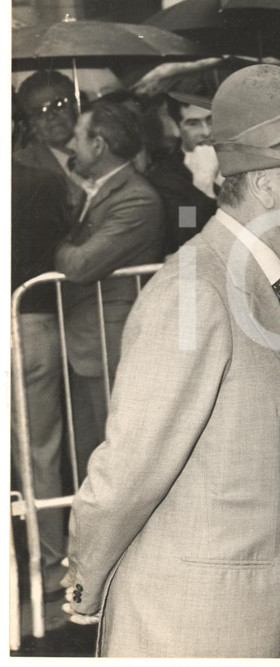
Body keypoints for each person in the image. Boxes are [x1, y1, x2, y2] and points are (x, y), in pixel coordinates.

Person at [65, 65, 280, 657]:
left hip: (254, 616)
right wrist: (84, 581)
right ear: (266, 183)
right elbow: (127, 473)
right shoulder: (195, 293)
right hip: (196, 629)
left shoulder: (256, 280)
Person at [55, 100, 165, 475]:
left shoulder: (137, 198)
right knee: (89, 459)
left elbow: (82, 265)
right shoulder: (102, 190)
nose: (71, 144)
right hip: (89, 344)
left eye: (78, 137)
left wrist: (50, 246)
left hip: (109, 345)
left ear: (99, 145)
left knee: (115, 462)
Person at [11, 161, 71, 601]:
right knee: (42, 454)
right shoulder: (45, 179)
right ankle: (49, 568)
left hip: (19, 318)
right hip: (37, 321)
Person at [146, 89, 219, 255]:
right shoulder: (167, 178)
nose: (206, 132)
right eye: (193, 124)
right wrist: (203, 185)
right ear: (176, 128)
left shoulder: (242, 159)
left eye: (211, 120)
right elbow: (186, 235)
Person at [14, 70, 89, 214]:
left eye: (58, 105)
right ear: (32, 123)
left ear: (75, 106)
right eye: (39, 112)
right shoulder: (24, 166)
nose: (51, 116)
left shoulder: (105, 146)